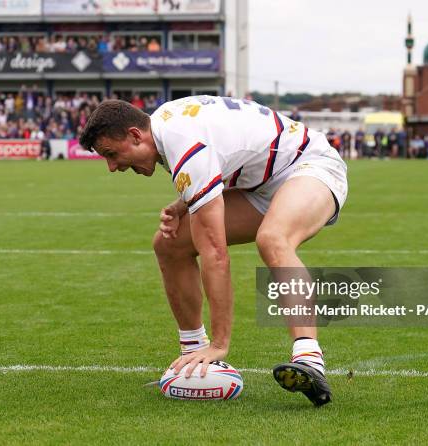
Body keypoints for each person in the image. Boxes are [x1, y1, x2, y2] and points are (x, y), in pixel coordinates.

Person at [79, 96, 348, 407]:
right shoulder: (163, 125)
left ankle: (309, 359)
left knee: (273, 238)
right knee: (169, 244)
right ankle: (193, 352)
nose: (113, 167)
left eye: (112, 154)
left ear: (135, 135)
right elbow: (225, 153)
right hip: (261, 183)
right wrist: (184, 204)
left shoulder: (182, 142)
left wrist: (221, 344)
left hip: (311, 166)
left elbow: (215, 255)